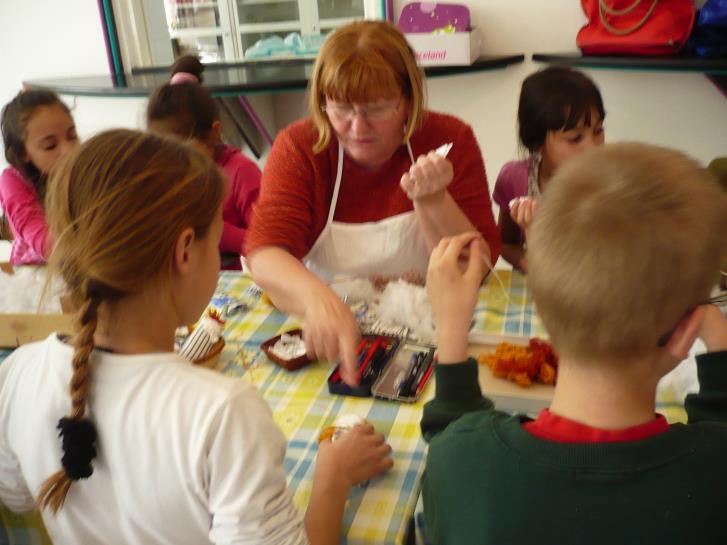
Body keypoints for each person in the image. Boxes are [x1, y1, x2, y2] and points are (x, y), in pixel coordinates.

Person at [0, 129, 393, 545]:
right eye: (216, 234)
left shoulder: (19, 372)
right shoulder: (224, 413)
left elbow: (17, 496)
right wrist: (333, 476)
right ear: (185, 251)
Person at [422, 143, 727, 544]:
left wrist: (451, 328)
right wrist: (719, 349)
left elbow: (449, 438)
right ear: (688, 331)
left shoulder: (460, 462)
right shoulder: (713, 471)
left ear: (543, 312)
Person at [246, 20, 500, 385]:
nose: (357, 128)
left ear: (408, 100)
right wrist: (319, 301)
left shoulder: (450, 138)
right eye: (342, 109)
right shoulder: (301, 148)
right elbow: (265, 252)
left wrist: (434, 199)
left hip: (432, 330)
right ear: (322, 102)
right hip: (331, 336)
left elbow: (481, 266)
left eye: (378, 109)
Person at [147, 54, 261, 270]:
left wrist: (214, 229)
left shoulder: (241, 173)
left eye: (181, 152)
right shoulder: (166, 175)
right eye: (161, 152)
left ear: (214, 133)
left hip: (241, 288)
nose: (172, 164)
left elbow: (269, 243)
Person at [492, 66, 605, 272]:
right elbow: (505, 244)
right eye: (575, 138)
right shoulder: (515, 179)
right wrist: (531, 260)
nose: (593, 146)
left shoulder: (610, 183)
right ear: (538, 144)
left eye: (598, 131)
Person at [0, 89, 79, 265]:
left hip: (83, 258)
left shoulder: (83, 164)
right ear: (23, 154)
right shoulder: (12, 181)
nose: (69, 150)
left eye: (72, 136)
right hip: (36, 270)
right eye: (50, 145)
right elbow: (45, 243)